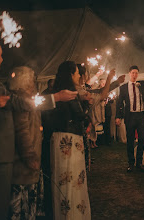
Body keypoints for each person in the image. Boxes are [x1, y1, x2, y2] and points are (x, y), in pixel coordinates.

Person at [0, 36, 77, 220]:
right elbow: (21, 110)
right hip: (1, 160)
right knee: (2, 209)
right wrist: (57, 97)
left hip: (6, 160)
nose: (3, 59)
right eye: (0, 55)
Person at [49, 61, 95, 219]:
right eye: (76, 73)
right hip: (70, 140)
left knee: (62, 178)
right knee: (73, 179)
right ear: (70, 74)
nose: (78, 75)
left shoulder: (56, 91)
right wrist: (88, 107)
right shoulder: (69, 92)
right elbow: (79, 116)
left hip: (58, 139)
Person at [7, 66, 44, 219]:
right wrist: (30, 157)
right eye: (32, 80)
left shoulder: (25, 100)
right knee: (23, 210)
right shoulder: (21, 102)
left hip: (26, 167)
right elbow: (22, 131)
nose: (34, 84)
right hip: (23, 169)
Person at [115, 64, 144, 172]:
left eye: (136, 73)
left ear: (138, 74)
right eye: (133, 73)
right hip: (130, 116)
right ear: (129, 74)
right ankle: (131, 163)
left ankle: (139, 162)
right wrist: (118, 116)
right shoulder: (123, 87)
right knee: (130, 140)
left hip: (141, 115)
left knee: (142, 139)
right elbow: (119, 103)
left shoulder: (141, 84)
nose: (134, 75)